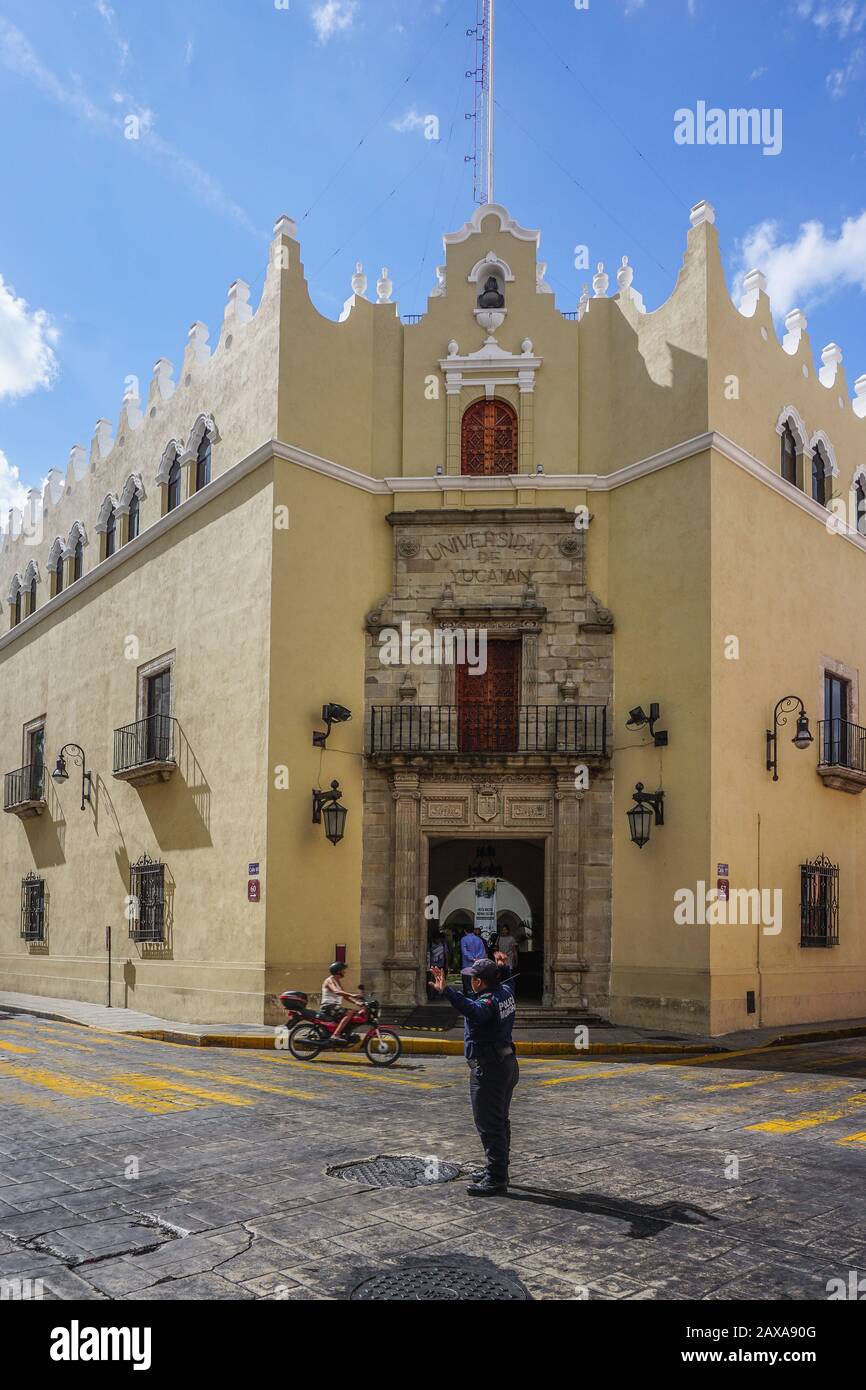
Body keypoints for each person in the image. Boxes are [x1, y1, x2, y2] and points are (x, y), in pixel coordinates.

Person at [430, 957, 518, 1197]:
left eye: (472, 977)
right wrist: (503, 966)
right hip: (507, 1063)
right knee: (500, 1121)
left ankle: (496, 1178)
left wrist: (447, 990)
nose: (470, 980)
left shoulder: (487, 1002)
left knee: (490, 1125)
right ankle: (497, 1169)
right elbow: (505, 979)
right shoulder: (506, 991)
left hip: (489, 1069)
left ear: (479, 982)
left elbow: (473, 1010)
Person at [319, 961, 364, 1045]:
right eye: (343, 970)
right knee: (349, 1012)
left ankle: (345, 1034)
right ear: (338, 971)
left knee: (354, 1013)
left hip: (334, 1007)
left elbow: (344, 995)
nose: (345, 972)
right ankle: (335, 1035)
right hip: (328, 1006)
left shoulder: (337, 981)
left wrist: (357, 1003)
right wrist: (352, 995)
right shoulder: (330, 980)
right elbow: (336, 991)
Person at [460, 925, 487, 995]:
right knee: (476, 987)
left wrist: (472, 959)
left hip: (467, 967)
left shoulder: (463, 939)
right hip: (477, 967)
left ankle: (468, 1003)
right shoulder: (479, 939)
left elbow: (465, 952)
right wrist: (478, 959)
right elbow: (483, 952)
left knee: (467, 987)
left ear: (465, 931)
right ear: (473, 931)